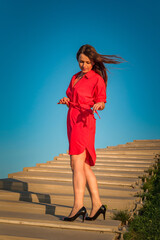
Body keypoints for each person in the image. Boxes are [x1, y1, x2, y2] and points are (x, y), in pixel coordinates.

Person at [58, 44, 124, 222]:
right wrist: (67, 100)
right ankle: (97, 205)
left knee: (76, 162)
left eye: (87, 62)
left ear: (93, 62)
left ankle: (78, 206)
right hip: (72, 118)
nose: (84, 65)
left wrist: (98, 105)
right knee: (83, 166)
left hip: (85, 120)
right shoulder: (74, 77)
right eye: (81, 62)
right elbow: (72, 97)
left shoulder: (96, 79)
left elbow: (102, 101)